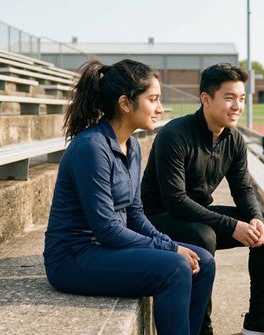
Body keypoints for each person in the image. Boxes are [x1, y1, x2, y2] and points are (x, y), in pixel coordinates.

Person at [43, 59, 215, 335]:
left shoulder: (132, 145)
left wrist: (168, 243)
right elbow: (107, 229)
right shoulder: (91, 148)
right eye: (153, 99)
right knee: (174, 268)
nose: (159, 109)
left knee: (203, 260)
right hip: (73, 258)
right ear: (125, 103)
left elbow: (135, 214)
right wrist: (171, 250)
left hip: (106, 248)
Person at [141, 63, 264, 335]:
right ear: (206, 99)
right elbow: (175, 201)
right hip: (159, 219)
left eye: (241, 98)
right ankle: (202, 327)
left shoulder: (234, 140)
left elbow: (243, 188)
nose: (237, 106)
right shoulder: (174, 135)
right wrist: (232, 226)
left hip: (195, 215)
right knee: (204, 236)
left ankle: (259, 318)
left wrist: (253, 217)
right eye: (229, 98)